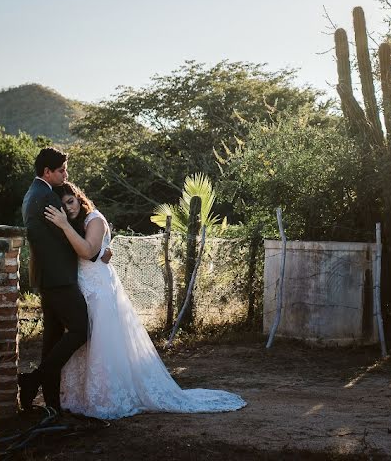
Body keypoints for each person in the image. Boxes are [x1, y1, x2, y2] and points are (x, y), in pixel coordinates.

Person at [44, 181, 246, 419]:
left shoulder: (94, 219)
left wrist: (67, 227)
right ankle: (82, 395)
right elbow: (90, 252)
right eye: (64, 205)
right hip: (83, 288)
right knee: (84, 346)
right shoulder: (76, 223)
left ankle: (107, 397)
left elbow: (88, 251)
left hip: (99, 291)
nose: (69, 208)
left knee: (103, 344)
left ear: (79, 198)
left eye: (71, 201)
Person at [18, 147, 105, 412]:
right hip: (60, 280)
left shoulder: (33, 194)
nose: (66, 174)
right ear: (47, 172)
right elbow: (65, 240)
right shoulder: (46, 197)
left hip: (49, 278)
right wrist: (97, 251)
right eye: (62, 170)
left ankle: (51, 403)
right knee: (82, 329)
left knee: (52, 341)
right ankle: (34, 380)